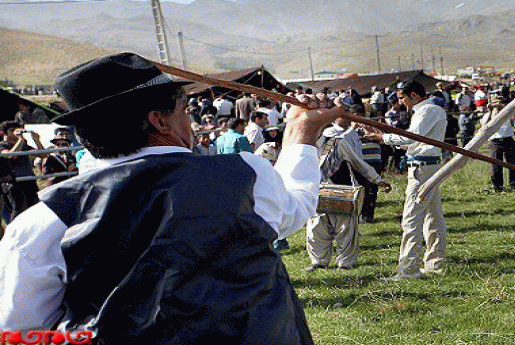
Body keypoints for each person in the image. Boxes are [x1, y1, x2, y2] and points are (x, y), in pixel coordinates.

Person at [0, 52, 344, 343]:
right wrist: (302, 133)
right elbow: (296, 206)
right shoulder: (245, 177)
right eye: (184, 108)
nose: (190, 119)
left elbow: (19, 332)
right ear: (159, 120)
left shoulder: (42, 223)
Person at [364, 80, 448, 280]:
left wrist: (382, 138)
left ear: (414, 95)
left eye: (402, 97)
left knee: (412, 219)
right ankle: (436, 264)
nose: (400, 101)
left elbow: (412, 138)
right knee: (432, 217)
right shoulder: (426, 111)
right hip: (427, 166)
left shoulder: (427, 110)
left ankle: (409, 269)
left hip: (422, 168)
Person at [306, 117, 391, 271]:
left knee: (346, 229)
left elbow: (360, 164)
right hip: (315, 194)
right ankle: (318, 262)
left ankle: (345, 263)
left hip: (341, 192)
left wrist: (378, 180)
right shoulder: (302, 148)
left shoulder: (339, 144)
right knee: (316, 229)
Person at [0, 121, 44, 221]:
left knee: (35, 208)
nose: (16, 133)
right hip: (12, 183)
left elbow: (43, 155)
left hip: (29, 180)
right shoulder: (2, 146)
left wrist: (37, 140)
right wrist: (20, 140)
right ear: (4, 133)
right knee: (18, 210)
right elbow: (11, 155)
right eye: (12, 131)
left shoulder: (24, 145)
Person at [482, 95, 515, 192]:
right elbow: (484, 126)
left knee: (513, 164)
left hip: (508, 140)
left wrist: (508, 110)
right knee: (496, 166)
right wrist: (491, 111)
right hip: (495, 142)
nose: (498, 105)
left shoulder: (509, 113)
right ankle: (498, 187)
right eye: (496, 103)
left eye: (500, 103)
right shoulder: (488, 115)